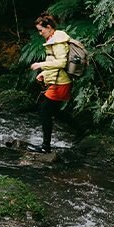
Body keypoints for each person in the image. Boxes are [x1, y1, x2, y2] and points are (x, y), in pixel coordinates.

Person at [28, 12, 71, 153]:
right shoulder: (54, 39)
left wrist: (41, 65)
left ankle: (46, 147)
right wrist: (44, 73)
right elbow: (54, 62)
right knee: (53, 111)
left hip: (61, 83)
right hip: (58, 81)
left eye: (41, 30)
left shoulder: (58, 41)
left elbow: (62, 62)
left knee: (44, 110)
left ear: (48, 27)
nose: (40, 34)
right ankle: (81, 130)